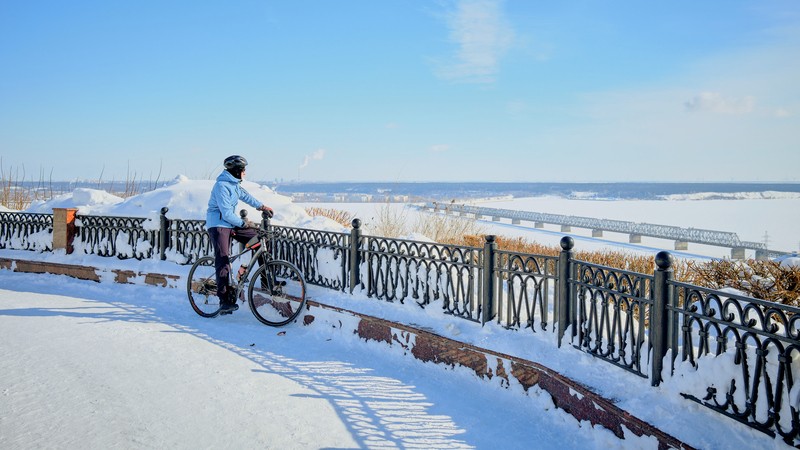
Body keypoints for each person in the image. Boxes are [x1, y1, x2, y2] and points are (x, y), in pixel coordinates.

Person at [206, 155, 273, 313]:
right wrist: (243, 223)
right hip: (218, 224)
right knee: (223, 260)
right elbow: (226, 213)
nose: (245, 172)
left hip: (230, 223)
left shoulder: (234, 184)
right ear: (236, 171)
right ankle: (223, 301)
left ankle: (266, 280)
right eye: (243, 170)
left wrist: (262, 206)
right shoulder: (221, 186)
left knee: (259, 240)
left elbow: (246, 196)